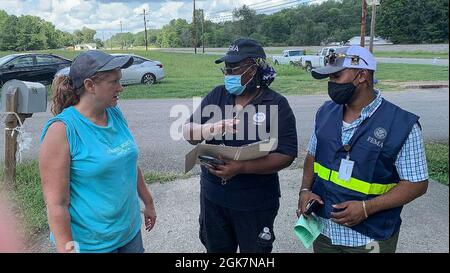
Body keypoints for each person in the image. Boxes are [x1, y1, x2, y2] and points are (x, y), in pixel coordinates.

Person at [297, 45, 428, 253]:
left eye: (336, 76)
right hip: (324, 232)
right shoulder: (325, 112)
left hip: (369, 237)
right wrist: (305, 191)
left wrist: (367, 208)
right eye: (329, 79)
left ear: (362, 76)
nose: (331, 84)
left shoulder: (402, 125)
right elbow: (312, 156)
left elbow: (417, 183)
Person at [183, 38, 298, 253]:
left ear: (254, 68)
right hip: (213, 199)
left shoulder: (276, 104)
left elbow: (287, 154)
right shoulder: (218, 95)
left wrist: (242, 168)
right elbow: (188, 133)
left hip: (254, 202)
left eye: (235, 68)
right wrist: (211, 129)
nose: (229, 73)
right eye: (226, 68)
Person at [39, 50, 156, 253]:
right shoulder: (61, 130)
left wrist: (149, 202)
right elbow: (57, 205)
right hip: (91, 244)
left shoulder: (114, 113)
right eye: (114, 82)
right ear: (89, 85)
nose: (121, 88)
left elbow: (128, 163)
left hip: (129, 234)